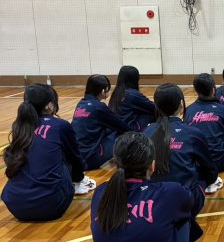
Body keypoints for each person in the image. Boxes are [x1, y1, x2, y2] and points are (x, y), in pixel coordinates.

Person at [86, 132, 193, 242]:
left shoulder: (101, 192)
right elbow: (191, 202)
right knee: (182, 218)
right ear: (152, 164)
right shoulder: (170, 192)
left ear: (115, 162)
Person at [1, 84, 96, 221]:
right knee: (63, 156)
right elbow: (75, 158)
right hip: (51, 205)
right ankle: (76, 184)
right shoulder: (60, 125)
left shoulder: (20, 127)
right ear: (49, 105)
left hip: (15, 205)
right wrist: (79, 179)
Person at [144, 83, 221, 242]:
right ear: (181, 104)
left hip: (151, 206)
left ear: (156, 105)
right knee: (201, 171)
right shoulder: (192, 133)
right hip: (185, 203)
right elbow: (210, 170)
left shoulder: (146, 132)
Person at [184, 73, 224, 172]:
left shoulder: (188, 110)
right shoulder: (222, 109)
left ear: (195, 90)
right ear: (213, 90)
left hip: (198, 164)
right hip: (220, 162)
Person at [72, 75, 130, 170]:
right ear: (103, 91)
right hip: (90, 158)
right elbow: (123, 127)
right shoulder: (99, 107)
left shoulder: (80, 104)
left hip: (76, 157)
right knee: (121, 135)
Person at [108, 65, 155, 131]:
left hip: (115, 128)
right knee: (153, 112)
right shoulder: (132, 94)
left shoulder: (117, 92)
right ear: (135, 79)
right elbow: (153, 107)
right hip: (128, 130)